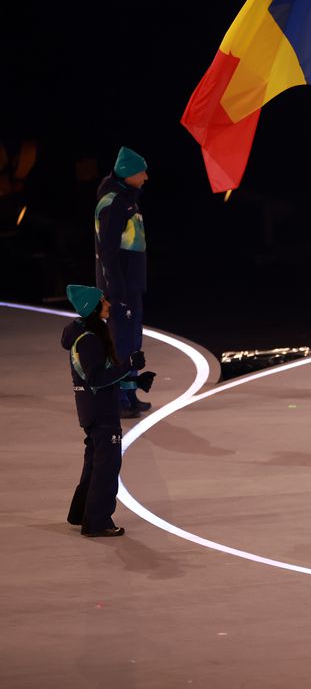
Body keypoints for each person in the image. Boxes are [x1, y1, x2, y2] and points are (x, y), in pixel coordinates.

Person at [62, 284, 154, 537]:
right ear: (91, 308)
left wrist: (135, 380)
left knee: (94, 464)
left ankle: (82, 513)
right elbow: (96, 379)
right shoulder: (89, 340)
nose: (109, 305)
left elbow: (102, 376)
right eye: (103, 301)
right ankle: (98, 521)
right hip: (101, 411)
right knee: (107, 467)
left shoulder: (88, 335)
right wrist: (127, 366)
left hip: (93, 409)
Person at [94, 146, 151, 417]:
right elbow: (108, 250)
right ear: (128, 173)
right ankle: (117, 399)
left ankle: (129, 393)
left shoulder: (128, 199)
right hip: (120, 287)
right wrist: (115, 291)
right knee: (120, 342)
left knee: (132, 341)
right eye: (142, 172)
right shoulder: (113, 203)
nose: (146, 177)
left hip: (132, 284)